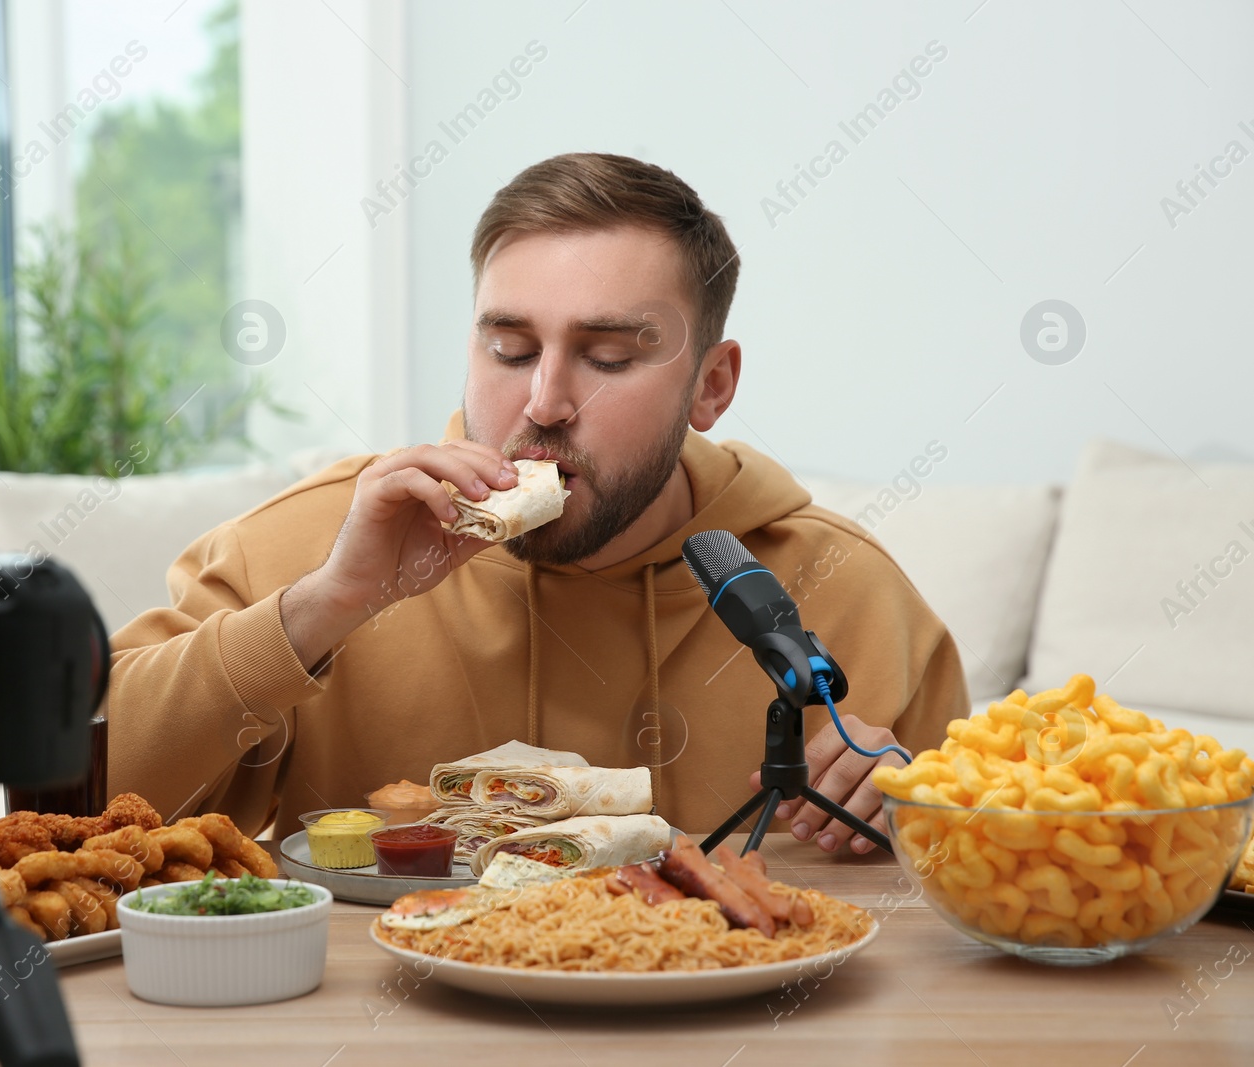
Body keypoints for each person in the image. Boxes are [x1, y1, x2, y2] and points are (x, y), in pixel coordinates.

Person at [106, 152, 968, 854]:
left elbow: (981, 898)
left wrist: (916, 820)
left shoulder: (849, 591)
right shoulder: (297, 549)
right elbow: (79, 797)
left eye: (609, 357)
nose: (546, 402)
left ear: (711, 385)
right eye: (510, 349)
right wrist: (320, 609)